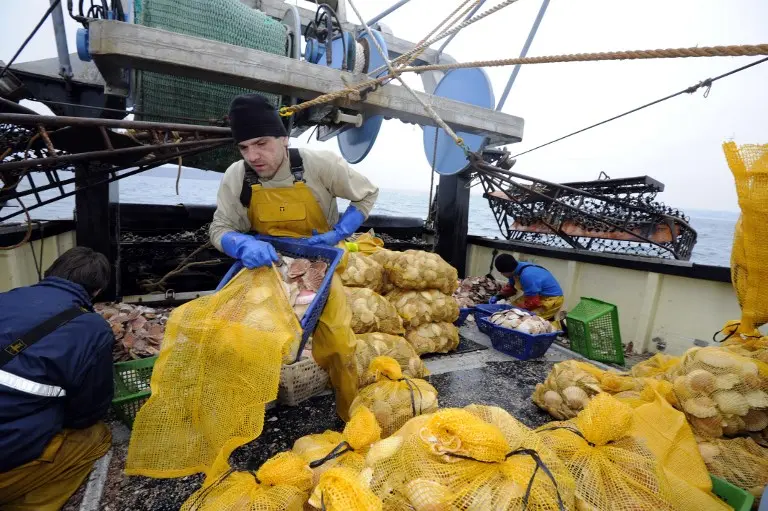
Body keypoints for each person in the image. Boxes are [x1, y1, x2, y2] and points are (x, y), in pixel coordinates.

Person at [209, 93, 379, 421]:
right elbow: (220, 228)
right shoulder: (237, 176)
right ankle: (242, 420)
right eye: (244, 147)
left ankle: (350, 419)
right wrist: (240, 245)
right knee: (241, 342)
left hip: (320, 266)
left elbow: (368, 193)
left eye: (261, 143)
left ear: (284, 139)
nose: (253, 156)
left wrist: (339, 232)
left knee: (339, 345)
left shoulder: (321, 165)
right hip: (268, 266)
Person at [0, 246, 114, 511]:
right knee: (96, 437)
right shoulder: (93, 329)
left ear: (51, 272)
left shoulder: (7, 297)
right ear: (96, 291)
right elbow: (86, 414)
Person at [489, 253, 565, 322]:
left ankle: (560, 326)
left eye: (502, 272)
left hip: (552, 299)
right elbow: (511, 288)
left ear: (508, 271)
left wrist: (517, 311)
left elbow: (533, 302)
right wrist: (499, 296)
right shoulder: (514, 270)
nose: (501, 274)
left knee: (527, 320)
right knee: (510, 310)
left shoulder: (527, 276)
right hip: (534, 296)